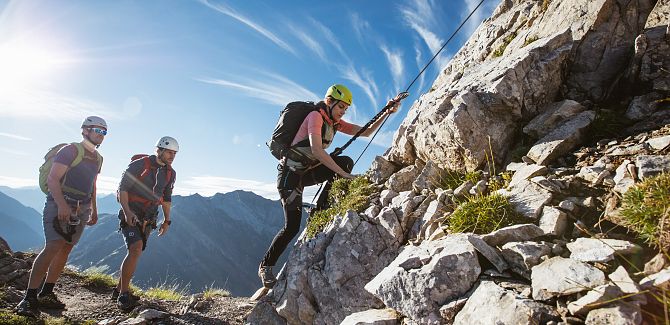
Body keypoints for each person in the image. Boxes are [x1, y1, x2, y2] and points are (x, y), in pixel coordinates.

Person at [258, 84, 401, 288]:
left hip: (305, 172)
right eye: (341, 106)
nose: (343, 111)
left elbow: (366, 132)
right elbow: (317, 150)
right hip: (289, 175)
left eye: (346, 108)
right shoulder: (316, 117)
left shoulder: (334, 122)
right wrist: (345, 176)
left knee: (345, 162)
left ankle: (319, 211)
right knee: (291, 228)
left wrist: (387, 112)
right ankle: (265, 266)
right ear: (329, 102)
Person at [16, 116, 107, 316]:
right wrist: (62, 205)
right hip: (59, 203)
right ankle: (28, 297)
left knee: (66, 249)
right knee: (53, 246)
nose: (100, 135)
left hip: (81, 208)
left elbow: (92, 184)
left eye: (103, 132)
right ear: (85, 130)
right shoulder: (71, 151)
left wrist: (94, 209)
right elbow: (53, 179)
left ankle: (47, 292)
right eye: (97, 130)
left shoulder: (98, 158)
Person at [114, 136, 178, 311]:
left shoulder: (170, 173)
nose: (172, 156)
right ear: (159, 150)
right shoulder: (139, 165)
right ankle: (123, 295)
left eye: (174, 153)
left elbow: (166, 198)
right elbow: (123, 189)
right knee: (135, 249)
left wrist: (167, 220)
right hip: (132, 213)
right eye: (169, 152)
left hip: (149, 217)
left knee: (137, 251)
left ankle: (119, 289)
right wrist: (127, 212)